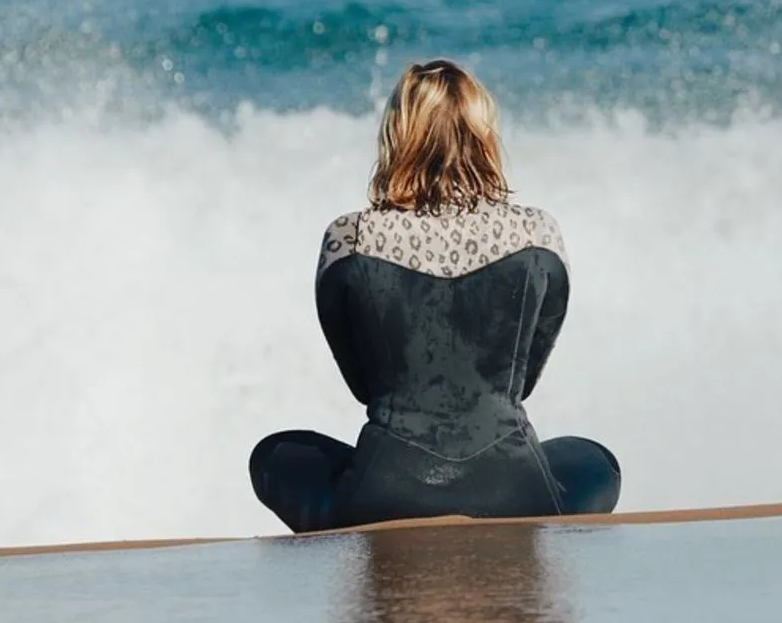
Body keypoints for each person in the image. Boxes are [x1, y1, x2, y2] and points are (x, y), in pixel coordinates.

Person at [249, 59, 621, 533]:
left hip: (382, 495)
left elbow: (363, 385)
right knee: (598, 461)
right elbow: (521, 382)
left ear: (396, 135)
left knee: (273, 454)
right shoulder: (538, 235)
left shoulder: (349, 238)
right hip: (518, 491)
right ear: (485, 135)